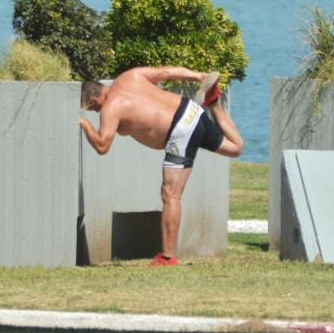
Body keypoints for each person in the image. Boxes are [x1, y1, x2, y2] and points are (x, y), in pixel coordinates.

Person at [79, 66, 243, 266]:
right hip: (190, 110)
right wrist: (198, 76)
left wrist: (84, 122)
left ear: (94, 100)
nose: (97, 112)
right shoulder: (128, 77)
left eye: (93, 109)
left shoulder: (110, 107)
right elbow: (165, 72)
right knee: (235, 148)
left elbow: (102, 145)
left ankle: (167, 257)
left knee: (170, 194)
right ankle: (214, 104)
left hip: (178, 132)